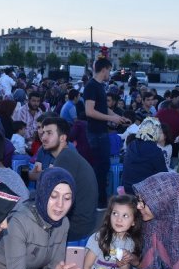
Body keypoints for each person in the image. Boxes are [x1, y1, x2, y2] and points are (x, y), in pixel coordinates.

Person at [40, 117, 98, 241]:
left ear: (63, 138)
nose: (43, 137)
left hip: (76, 226)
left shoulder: (65, 159)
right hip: (82, 222)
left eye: (49, 133)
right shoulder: (67, 155)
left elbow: (52, 198)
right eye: (43, 132)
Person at [84, 58, 130, 208]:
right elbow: (89, 111)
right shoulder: (92, 86)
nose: (110, 73)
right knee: (100, 167)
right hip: (97, 134)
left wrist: (117, 117)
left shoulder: (99, 86)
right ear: (104, 69)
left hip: (101, 132)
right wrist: (111, 118)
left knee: (103, 167)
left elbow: (102, 108)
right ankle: (100, 201)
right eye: (109, 70)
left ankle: (101, 200)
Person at [83, 195, 143, 269]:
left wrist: (123, 262)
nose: (119, 219)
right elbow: (86, 267)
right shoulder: (100, 237)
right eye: (115, 213)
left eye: (125, 215)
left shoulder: (129, 243)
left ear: (134, 221)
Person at [122, 117, 167, 195]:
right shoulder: (155, 151)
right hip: (145, 193)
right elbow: (164, 175)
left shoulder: (132, 144)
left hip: (128, 188)